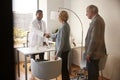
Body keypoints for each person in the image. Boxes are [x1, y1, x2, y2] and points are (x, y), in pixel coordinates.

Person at [46, 11, 71, 80]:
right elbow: (57, 35)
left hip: (63, 51)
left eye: (59, 16)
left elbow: (61, 42)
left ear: (61, 17)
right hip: (66, 50)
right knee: (64, 68)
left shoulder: (63, 27)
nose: (58, 18)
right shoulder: (66, 25)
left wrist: (57, 54)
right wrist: (50, 35)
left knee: (63, 68)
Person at [85, 5, 107, 80]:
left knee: (92, 74)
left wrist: (89, 53)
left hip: (94, 53)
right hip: (96, 52)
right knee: (93, 73)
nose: (86, 14)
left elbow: (94, 39)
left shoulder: (96, 21)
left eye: (87, 11)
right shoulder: (98, 19)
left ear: (92, 11)